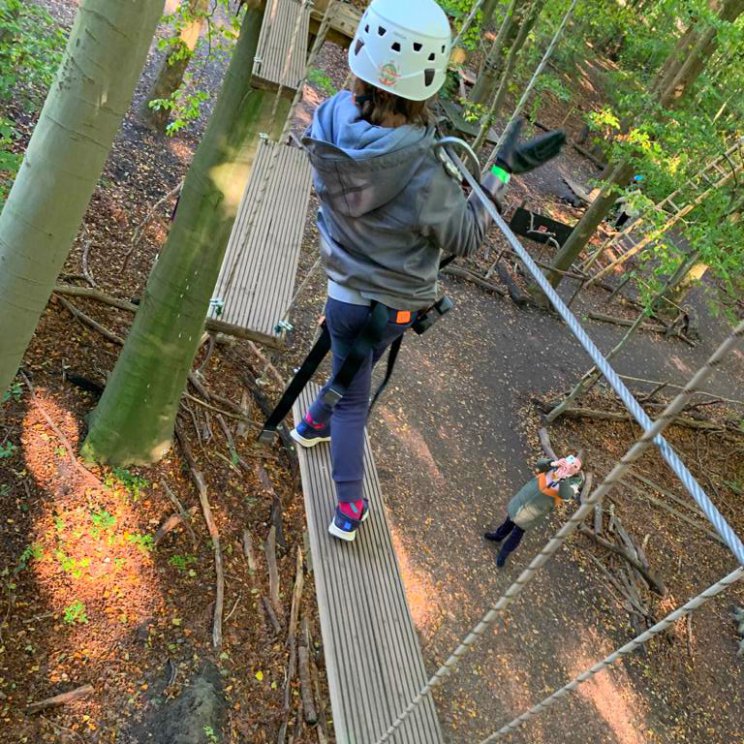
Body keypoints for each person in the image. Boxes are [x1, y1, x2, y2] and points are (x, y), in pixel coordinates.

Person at [290, 0, 566, 542]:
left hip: (342, 286)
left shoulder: (327, 119)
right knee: (354, 398)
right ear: (429, 81)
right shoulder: (422, 167)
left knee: (348, 365)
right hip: (382, 304)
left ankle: (311, 422)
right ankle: (348, 508)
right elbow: (464, 237)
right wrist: (502, 172)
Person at [484, 455, 584, 567]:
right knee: (510, 519)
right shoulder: (556, 465)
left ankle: (504, 553)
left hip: (537, 510)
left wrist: (563, 478)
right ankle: (498, 535)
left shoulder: (574, 483)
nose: (571, 466)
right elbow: (539, 464)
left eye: (575, 466)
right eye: (572, 462)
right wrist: (553, 464)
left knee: (518, 532)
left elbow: (565, 494)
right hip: (525, 498)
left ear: (577, 470)